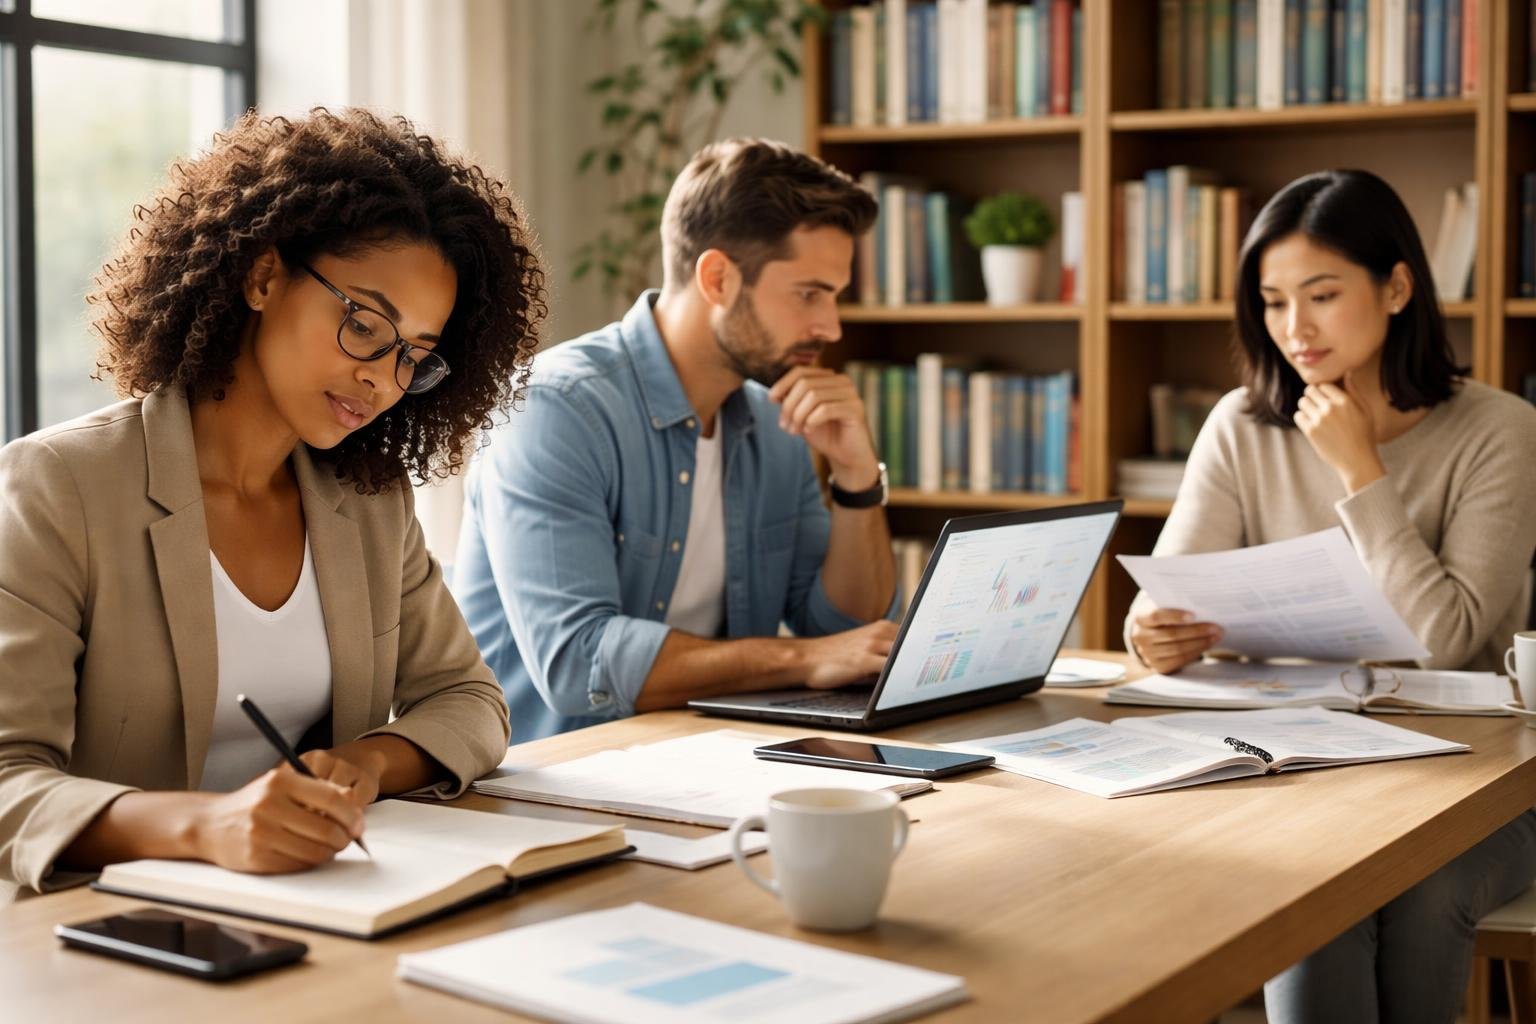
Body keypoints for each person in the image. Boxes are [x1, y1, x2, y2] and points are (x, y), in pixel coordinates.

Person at [0, 108, 546, 901]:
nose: (381, 379)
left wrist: (363, 765)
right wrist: (206, 827)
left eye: (414, 358)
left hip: (314, 908)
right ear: (262, 278)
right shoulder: (59, 487)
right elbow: (8, 779)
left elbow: (468, 701)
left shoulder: (368, 501)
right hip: (102, 928)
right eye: (364, 323)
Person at [1124, 169, 1536, 1023]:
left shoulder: (1501, 431)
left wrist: (1360, 472)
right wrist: (1153, 633)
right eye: (1273, 302)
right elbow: (1168, 589)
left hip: (1478, 778)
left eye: (1320, 295)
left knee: (1419, 894)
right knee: (1313, 892)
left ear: (1396, 287)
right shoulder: (1241, 424)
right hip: (1302, 767)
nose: (1294, 330)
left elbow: (1448, 640)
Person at [452, 137, 899, 743]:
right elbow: (577, 659)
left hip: (707, 762)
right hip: (555, 787)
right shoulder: (554, 409)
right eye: (809, 293)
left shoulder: (776, 423)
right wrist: (802, 659)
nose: (830, 326)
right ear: (717, 277)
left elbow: (843, 624)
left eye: (835, 296)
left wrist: (856, 478)